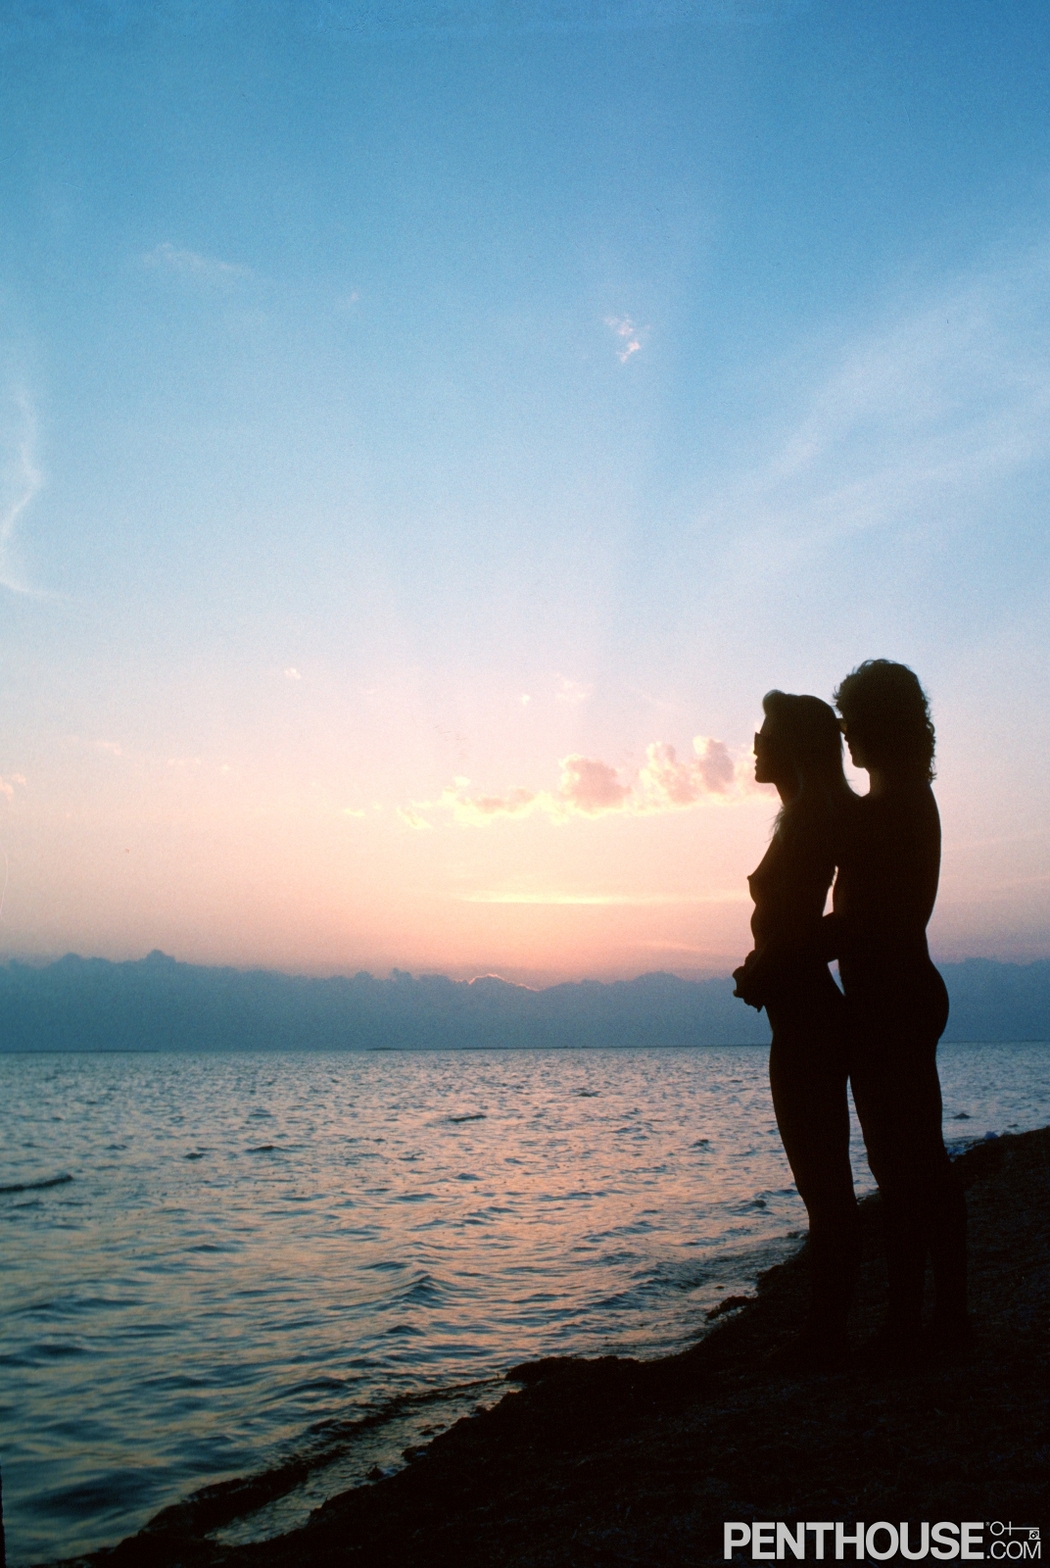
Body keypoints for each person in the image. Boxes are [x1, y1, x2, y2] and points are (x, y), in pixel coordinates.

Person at [827, 659, 969, 1362]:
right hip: (895, 995)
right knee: (903, 1161)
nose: (848, 736)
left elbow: (877, 919)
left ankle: (930, 1319)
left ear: (884, 726)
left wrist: (791, 949)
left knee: (910, 1163)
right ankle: (926, 1316)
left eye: (855, 722)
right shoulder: (898, 799)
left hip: (896, 998)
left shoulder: (897, 806)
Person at [733, 691, 859, 1366]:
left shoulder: (813, 817)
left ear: (799, 746)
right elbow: (795, 927)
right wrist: (763, 963)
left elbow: (829, 927)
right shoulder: (798, 816)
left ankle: (826, 1334)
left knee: (823, 1184)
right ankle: (825, 1326)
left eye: (768, 733)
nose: (755, 743)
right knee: (821, 1181)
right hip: (800, 1014)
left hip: (809, 1019)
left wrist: (767, 967)